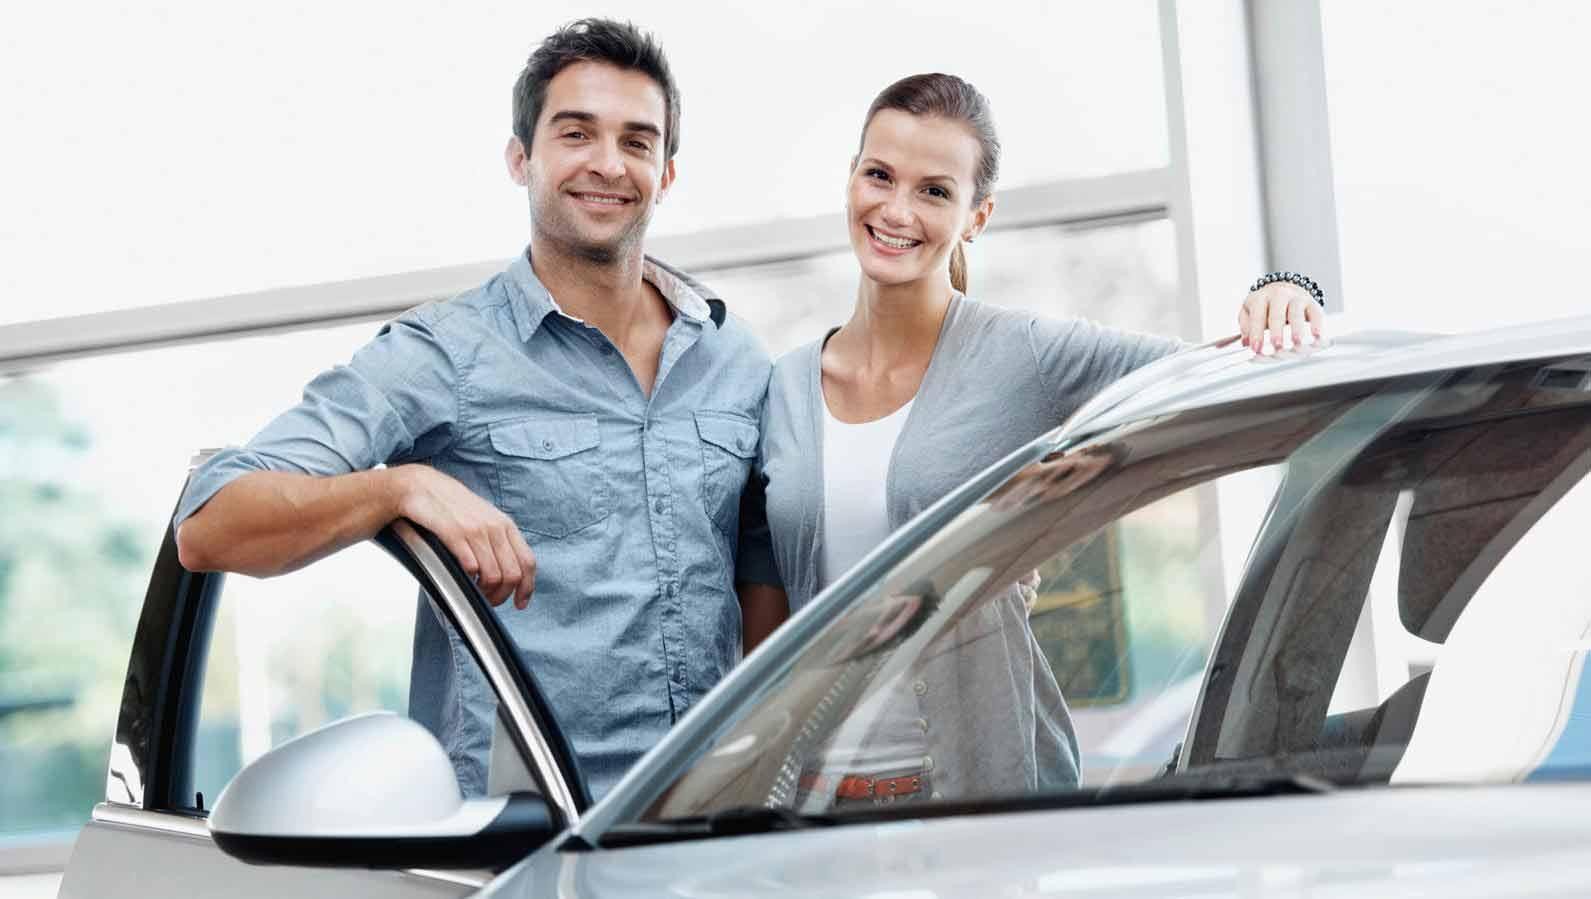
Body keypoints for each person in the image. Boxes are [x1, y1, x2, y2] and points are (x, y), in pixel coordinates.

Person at [172, 19, 785, 800]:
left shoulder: (735, 359)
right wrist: (399, 490)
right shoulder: (444, 354)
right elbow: (211, 522)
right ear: (520, 158)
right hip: (527, 844)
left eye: (637, 141)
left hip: (710, 826)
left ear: (666, 173)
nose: (607, 163)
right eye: (575, 133)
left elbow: (764, 571)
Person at [757, 73, 1324, 803]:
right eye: (879, 176)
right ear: (851, 180)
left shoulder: (1022, 355)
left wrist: (1284, 290)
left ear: (976, 216)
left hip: (980, 796)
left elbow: (1215, 374)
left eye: (934, 191)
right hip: (811, 804)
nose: (896, 209)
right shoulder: (784, 388)